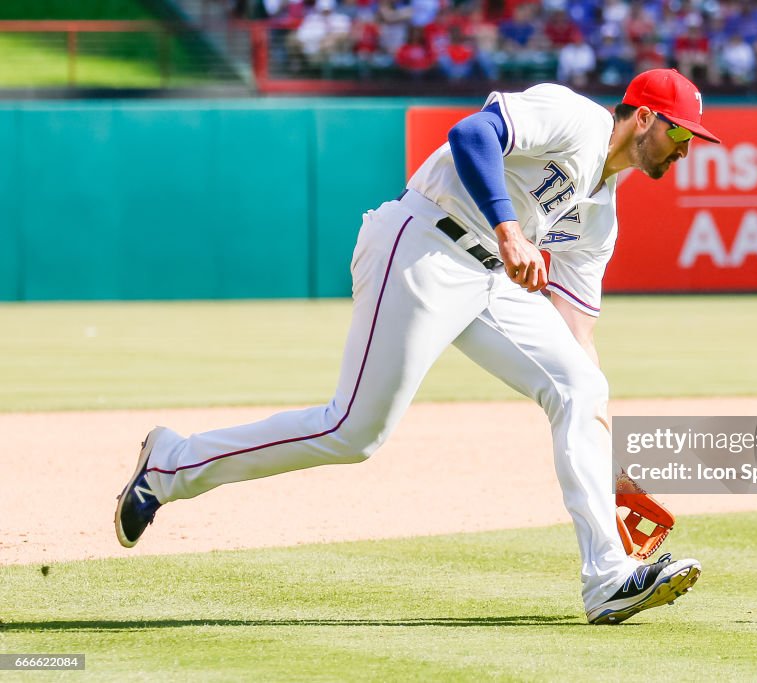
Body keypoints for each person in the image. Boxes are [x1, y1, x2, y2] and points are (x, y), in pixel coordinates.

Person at [114, 68, 720, 626]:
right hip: (423, 242)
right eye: (681, 132)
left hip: (488, 281)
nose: (687, 147)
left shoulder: (602, 216)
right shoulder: (575, 118)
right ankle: (171, 464)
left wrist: (606, 458)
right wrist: (510, 231)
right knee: (354, 432)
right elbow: (472, 134)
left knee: (579, 386)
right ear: (644, 117)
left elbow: (576, 334)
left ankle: (607, 577)